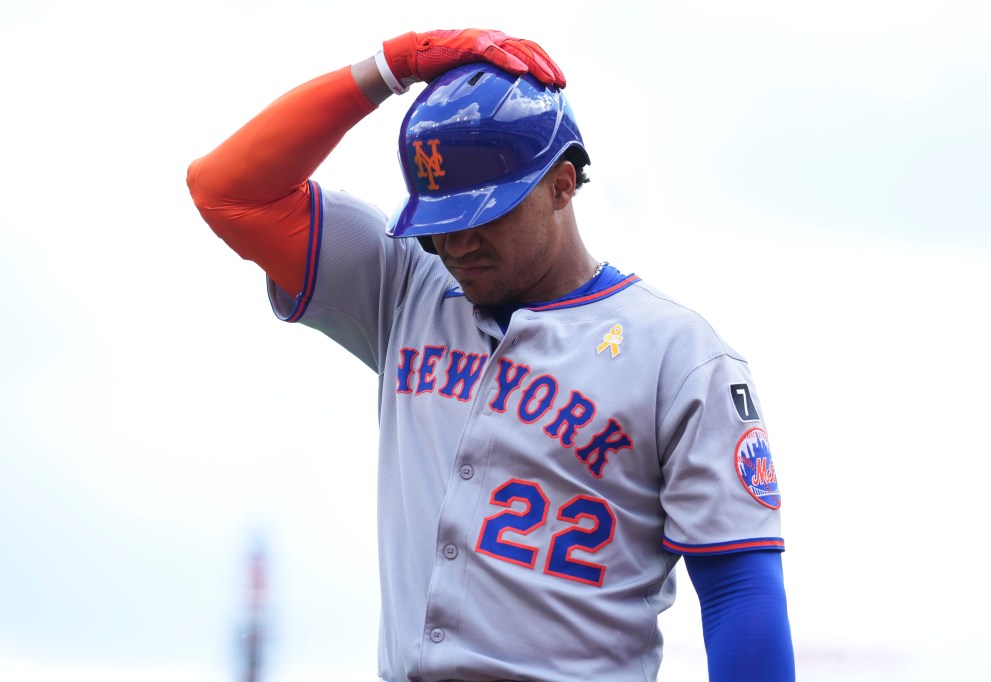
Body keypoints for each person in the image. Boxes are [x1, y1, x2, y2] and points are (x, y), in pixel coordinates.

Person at [187, 28, 795, 682]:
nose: (457, 245)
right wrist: (390, 66)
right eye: (440, 224)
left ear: (562, 185)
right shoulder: (406, 286)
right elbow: (226, 190)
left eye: (484, 215)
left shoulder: (679, 355)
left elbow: (739, 593)